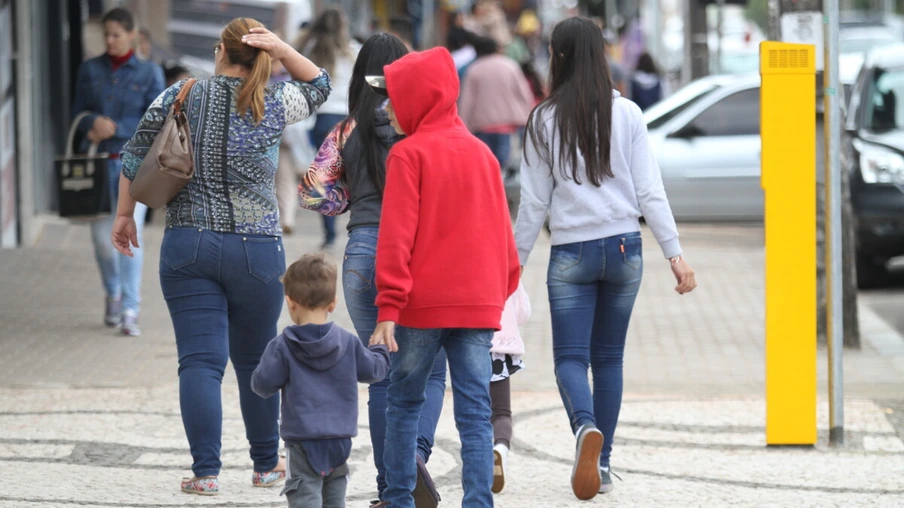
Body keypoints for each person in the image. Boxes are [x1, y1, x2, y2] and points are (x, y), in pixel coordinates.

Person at [112, 18, 331, 495]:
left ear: (219, 52)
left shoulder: (181, 94)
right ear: (263, 57)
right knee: (254, 360)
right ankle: (265, 465)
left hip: (188, 243)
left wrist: (125, 215)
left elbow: (134, 154)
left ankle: (206, 473)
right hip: (256, 249)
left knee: (200, 362)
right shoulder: (273, 101)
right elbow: (321, 85)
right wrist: (281, 48)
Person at [514, 17, 697, 500]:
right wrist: (675, 254)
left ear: (559, 57)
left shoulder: (543, 120)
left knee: (569, 360)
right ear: (599, 56)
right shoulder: (630, 114)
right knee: (609, 359)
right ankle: (605, 461)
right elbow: (650, 192)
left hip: (571, 251)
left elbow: (533, 204)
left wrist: (512, 266)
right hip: (624, 249)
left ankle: (583, 429)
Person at [298, 33, 447, 508]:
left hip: (362, 251)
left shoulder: (347, 130)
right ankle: (416, 455)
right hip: (418, 252)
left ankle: (391, 489)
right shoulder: (418, 130)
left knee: (382, 373)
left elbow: (312, 191)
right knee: (433, 369)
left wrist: (350, 200)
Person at [368, 46, 520, 508]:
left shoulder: (408, 154)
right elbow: (505, 242)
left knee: (404, 405)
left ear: (419, 97)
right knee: (476, 413)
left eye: (394, 97)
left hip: (420, 308)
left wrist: (388, 307)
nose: (386, 108)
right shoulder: (482, 155)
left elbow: (396, 238)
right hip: (478, 308)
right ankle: (478, 502)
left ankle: (398, 500)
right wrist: (497, 293)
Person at [251, 253, 390, 508]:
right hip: (339, 438)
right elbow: (375, 372)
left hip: (302, 437)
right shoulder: (348, 341)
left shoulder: (282, 345)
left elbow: (262, 385)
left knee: (304, 491)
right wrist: (379, 348)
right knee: (335, 490)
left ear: (290, 303)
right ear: (333, 303)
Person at [71, 7, 164, 336]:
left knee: (129, 237)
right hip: (96, 165)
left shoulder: (150, 73)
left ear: (132, 36)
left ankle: (130, 309)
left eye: (115, 35)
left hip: (132, 166)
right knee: (100, 240)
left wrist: (116, 127)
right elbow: (76, 111)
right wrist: (90, 123)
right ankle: (113, 292)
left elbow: (156, 121)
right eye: (105, 35)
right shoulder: (90, 69)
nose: (109, 41)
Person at [296, 7, 360, 252]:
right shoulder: (353, 50)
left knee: (324, 179)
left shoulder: (310, 49)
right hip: (348, 120)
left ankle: (330, 234)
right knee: (354, 176)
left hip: (321, 120)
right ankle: (356, 225)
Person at [459, 36, 534, 170]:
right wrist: (529, 115)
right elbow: (524, 93)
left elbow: (466, 101)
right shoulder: (510, 65)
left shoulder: (474, 70)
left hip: (481, 126)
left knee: (485, 165)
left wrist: (463, 127)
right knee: (504, 164)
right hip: (507, 124)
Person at [490, 281, 530, 494]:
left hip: (467, 344)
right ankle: (501, 447)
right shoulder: (504, 261)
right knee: (502, 413)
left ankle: (475, 465)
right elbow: (523, 312)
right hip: (498, 352)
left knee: (471, 412)